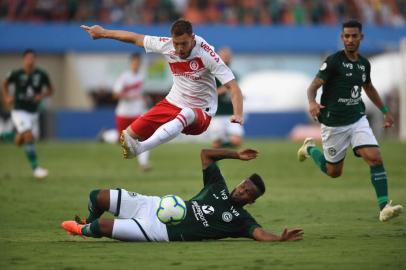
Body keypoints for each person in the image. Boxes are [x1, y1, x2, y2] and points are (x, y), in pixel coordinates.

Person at [61, 148, 304, 242]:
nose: (241, 190)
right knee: (97, 196)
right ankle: (87, 222)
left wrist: (280, 239)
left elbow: (259, 233)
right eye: (243, 185)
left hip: (157, 231)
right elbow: (206, 154)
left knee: (103, 226)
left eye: (247, 193)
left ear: (251, 201)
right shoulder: (217, 185)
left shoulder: (241, 220)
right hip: (152, 204)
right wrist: (236, 155)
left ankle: (82, 230)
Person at [81, 19, 243, 159]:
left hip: (201, 112)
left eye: (184, 44)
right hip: (173, 102)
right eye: (176, 43)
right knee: (128, 137)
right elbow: (135, 38)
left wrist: (238, 114)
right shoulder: (165, 45)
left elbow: (233, 87)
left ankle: (141, 148)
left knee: (186, 112)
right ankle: (132, 147)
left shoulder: (207, 55)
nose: (179, 48)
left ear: (192, 38)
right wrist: (103, 33)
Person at [297, 20, 403, 222]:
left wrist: (385, 111)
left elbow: (369, 88)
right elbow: (312, 87)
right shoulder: (333, 61)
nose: (350, 40)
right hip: (333, 124)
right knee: (333, 172)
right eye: (346, 36)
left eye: (354, 36)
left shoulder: (364, 64)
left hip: (357, 119)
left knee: (375, 158)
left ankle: (384, 207)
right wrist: (312, 102)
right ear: (342, 37)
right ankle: (310, 148)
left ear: (361, 37)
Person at [2, 49, 54, 179]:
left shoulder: (41, 74)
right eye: (28, 58)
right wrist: (7, 97)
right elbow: (5, 83)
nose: (30, 60)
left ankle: (3, 136)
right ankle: (36, 168)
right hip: (19, 110)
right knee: (29, 135)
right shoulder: (16, 73)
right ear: (23, 59)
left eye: (33, 58)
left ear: (35, 60)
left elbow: (51, 90)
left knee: (20, 141)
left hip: (33, 112)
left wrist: (41, 96)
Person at [112, 53, 151, 171]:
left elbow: (139, 93)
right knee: (122, 141)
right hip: (123, 113)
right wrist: (127, 96)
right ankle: (105, 136)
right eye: (134, 62)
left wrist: (142, 99)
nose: (136, 64)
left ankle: (144, 164)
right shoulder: (124, 77)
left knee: (144, 138)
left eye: (138, 62)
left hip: (137, 113)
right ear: (131, 63)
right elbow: (115, 94)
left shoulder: (141, 76)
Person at [209, 47, 244, 148]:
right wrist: (225, 89)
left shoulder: (234, 75)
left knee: (237, 141)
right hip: (218, 114)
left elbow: (235, 92)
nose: (227, 59)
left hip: (232, 114)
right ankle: (217, 156)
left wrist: (240, 96)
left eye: (228, 57)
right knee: (216, 143)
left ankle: (224, 151)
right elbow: (210, 95)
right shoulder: (213, 76)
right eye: (224, 56)